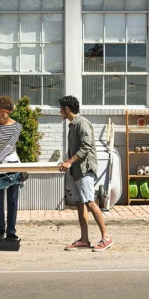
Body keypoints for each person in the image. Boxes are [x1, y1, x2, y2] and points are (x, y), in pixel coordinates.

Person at [58, 95, 113, 252]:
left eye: (61, 108)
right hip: (77, 170)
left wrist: (70, 161)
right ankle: (84, 240)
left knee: (89, 202)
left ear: (66, 109)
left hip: (85, 169)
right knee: (80, 203)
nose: (59, 111)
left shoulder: (82, 123)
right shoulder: (72, 125)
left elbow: (86, 146)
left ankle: (106, 237)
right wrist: (69, 162)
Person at [0, 96, 24, 241]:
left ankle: (11, 231)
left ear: (8, 112)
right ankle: (1, 229)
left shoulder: (17, 127)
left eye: (2, 113)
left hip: (11, 162)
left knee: (13, 198)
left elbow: (10, 146)